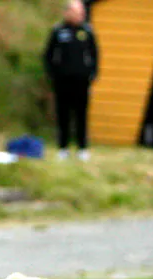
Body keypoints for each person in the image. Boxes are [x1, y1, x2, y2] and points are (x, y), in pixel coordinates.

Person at [44, 0, 98, 161]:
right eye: (76, 12)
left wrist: (92, 74)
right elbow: (48, 55)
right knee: (63, 115)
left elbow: (95, 54)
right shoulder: (58, 31)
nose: (79, 16)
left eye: (81, 13)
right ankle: (63, 148)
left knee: (81, 115)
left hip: (82, 80)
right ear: (67, 13)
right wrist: (52, 74)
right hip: (62, 81)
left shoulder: (87, 31)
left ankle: (82, 148)